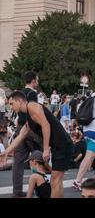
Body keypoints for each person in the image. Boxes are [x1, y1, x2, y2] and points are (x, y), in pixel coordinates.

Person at [0, 91, 73, 198]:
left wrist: (46, 148)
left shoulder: (32, 106)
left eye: (12, 104)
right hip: (59, 145)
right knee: (56, 181)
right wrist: (6, 152)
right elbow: (21, 135)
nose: (11, 107)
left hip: (62, 144)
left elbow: (45, 125)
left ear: (20, 101)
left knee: (55, 181)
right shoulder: (29, 116)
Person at [12, 71, 41, 199]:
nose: (38, 82)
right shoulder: (32, 93)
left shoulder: (20, 93)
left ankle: (17, 191)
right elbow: (33, 112)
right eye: (37, 80)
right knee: (39, 156)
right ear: (33, 80)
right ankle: (40, 186)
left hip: (19, 128)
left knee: (17, 161)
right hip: (29, 128)